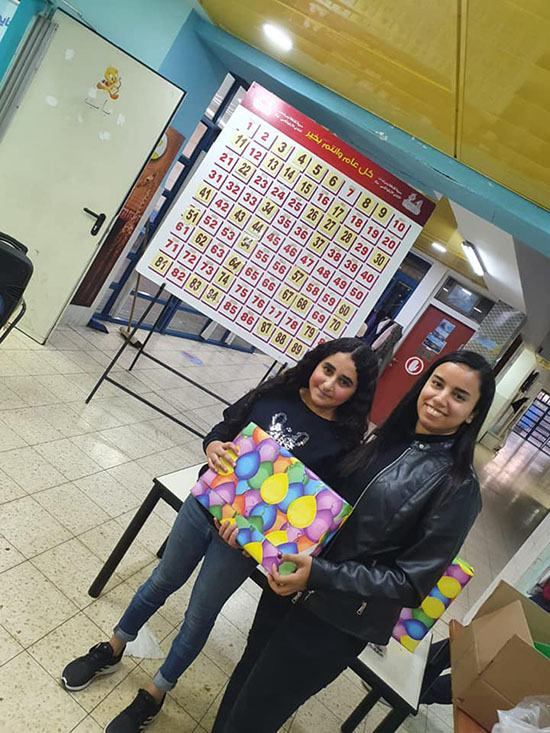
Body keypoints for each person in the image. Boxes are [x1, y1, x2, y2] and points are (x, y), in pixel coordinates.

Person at [61, 337, 380, 732]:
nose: (329, 384)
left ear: (356, 393)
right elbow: (224, 428)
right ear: (316, 363)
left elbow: (310, 518)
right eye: (327, 369)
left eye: (345, 382)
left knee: (199, 615)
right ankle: (113, 647)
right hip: (202, 507)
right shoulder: (276, 392)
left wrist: (258, 545)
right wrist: (212, 445)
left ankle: (155, 693)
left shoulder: (343, 445)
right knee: (161, 580)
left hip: (242, 546)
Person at [211, 350, 496, 733]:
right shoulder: (387, 439)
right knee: (244, 680)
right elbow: (321, 509)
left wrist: (319, 575)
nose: (440, 398)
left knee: (255, 715)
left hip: (335, 622)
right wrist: (250, 529)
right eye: (437, 384)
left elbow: (411, 583)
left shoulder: (458, 487)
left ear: (473, 414)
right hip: (289, 587)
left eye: (459, 396)